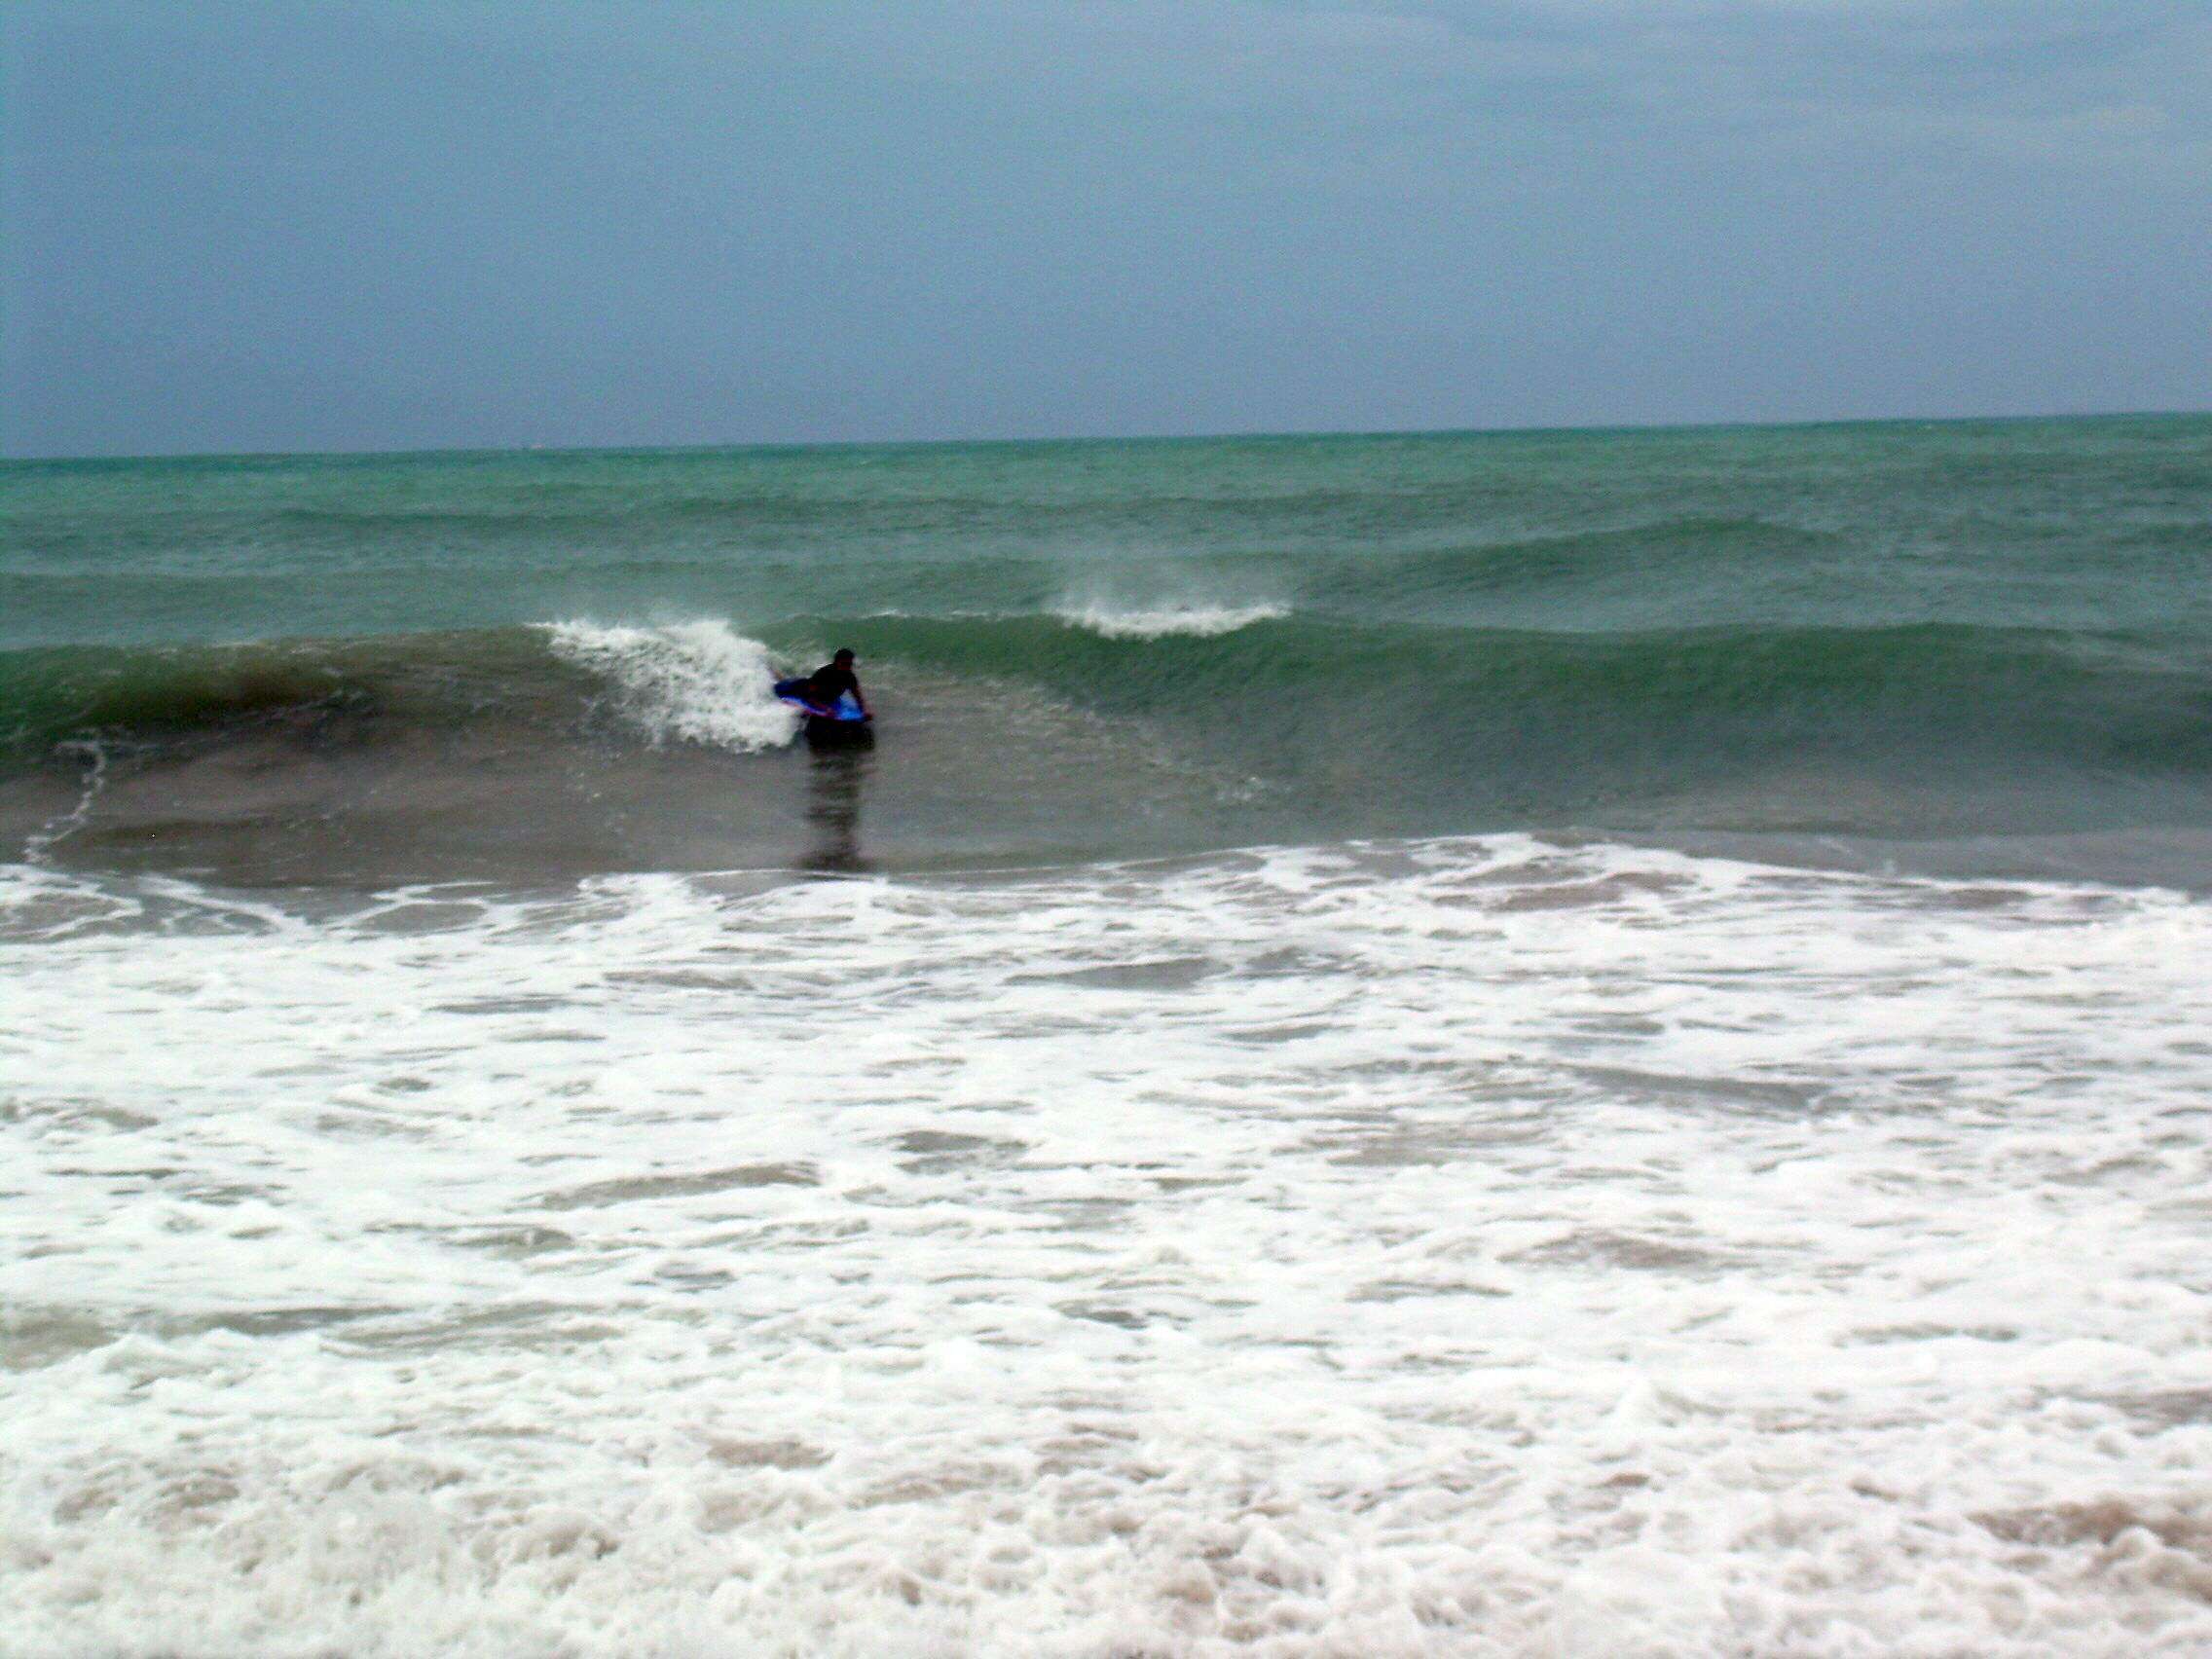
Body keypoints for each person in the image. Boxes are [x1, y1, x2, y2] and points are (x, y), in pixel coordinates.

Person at [807, 648, 869, 719]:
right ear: (836, 662)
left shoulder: (849, 677)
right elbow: (810, 697)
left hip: (831, 701)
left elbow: (858, 697)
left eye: (850, 664)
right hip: (814, 699)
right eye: (844, 664)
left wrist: (864, 711)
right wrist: (824, 708)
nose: (847, 667)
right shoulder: (823, 673)